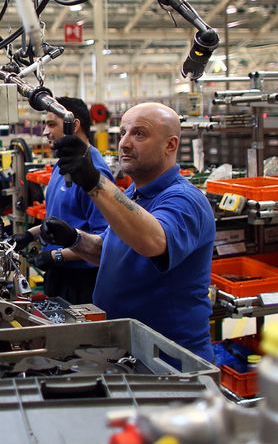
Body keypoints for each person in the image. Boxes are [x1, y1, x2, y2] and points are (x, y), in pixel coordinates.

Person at [43, 102, 215, 361]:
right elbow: (110, 252)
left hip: (169, 359)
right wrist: (74, 239)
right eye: (123, 132)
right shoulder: (133, 194)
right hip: (128, 348)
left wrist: (94, 181)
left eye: (139, 134)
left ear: (171, 145)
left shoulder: (184, 199)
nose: (124, 143)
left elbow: (154, 242)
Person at [15, 98, 113, 305]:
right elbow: (62, 219)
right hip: (59, 275)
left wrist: (56, 256)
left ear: (73, 125)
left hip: (82, 282)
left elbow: (104, 241)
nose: (44, 132)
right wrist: (28, 235)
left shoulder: (94, 172)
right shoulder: (64, 164)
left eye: (51, 125)